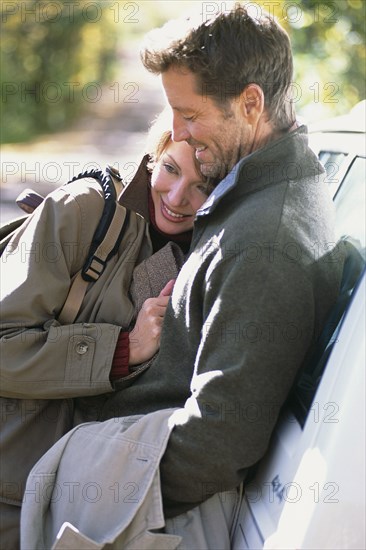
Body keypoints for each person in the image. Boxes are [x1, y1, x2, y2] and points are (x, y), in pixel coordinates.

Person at [91, 3, 345, 543]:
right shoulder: (255, 189)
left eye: (189, 114)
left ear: (250, 103)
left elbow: (217, 442)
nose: (178, 132)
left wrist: (103, 491)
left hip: (154, 511)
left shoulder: (266, 241)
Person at [0, 111, 213, 548]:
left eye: (202, 185)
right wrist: (124, 348)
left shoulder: (212, 258)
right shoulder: (85, 209)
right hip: (9, 483)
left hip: (86, 505)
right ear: (154, 158)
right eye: (171, 169)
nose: (177, 197)